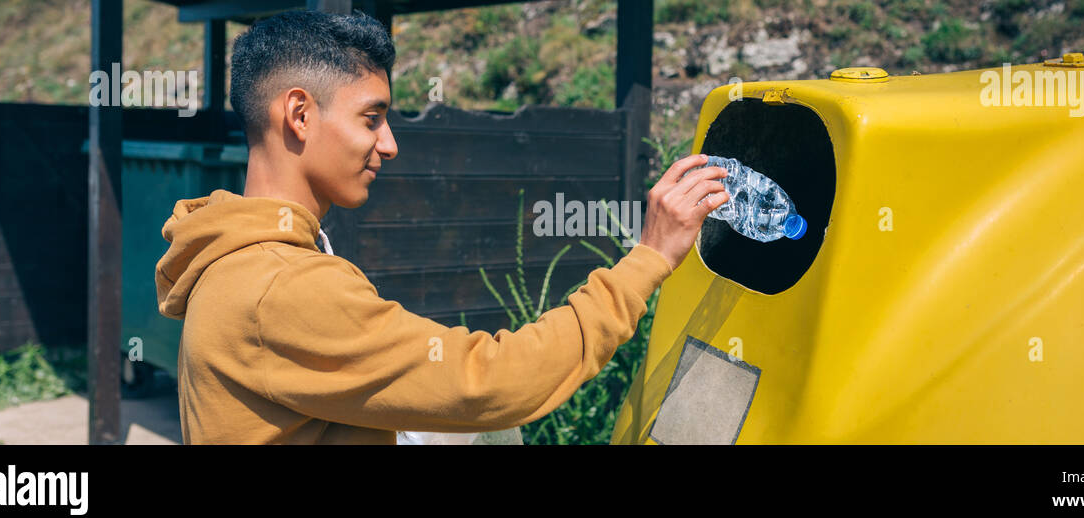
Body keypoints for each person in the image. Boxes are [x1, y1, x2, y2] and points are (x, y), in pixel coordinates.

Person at [154, 10, 729, 444]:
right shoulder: (281, 288)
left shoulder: (234, 257)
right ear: (300, 114)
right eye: (372, 118)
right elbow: (492, 382)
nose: (390, 144)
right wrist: (648, 257)